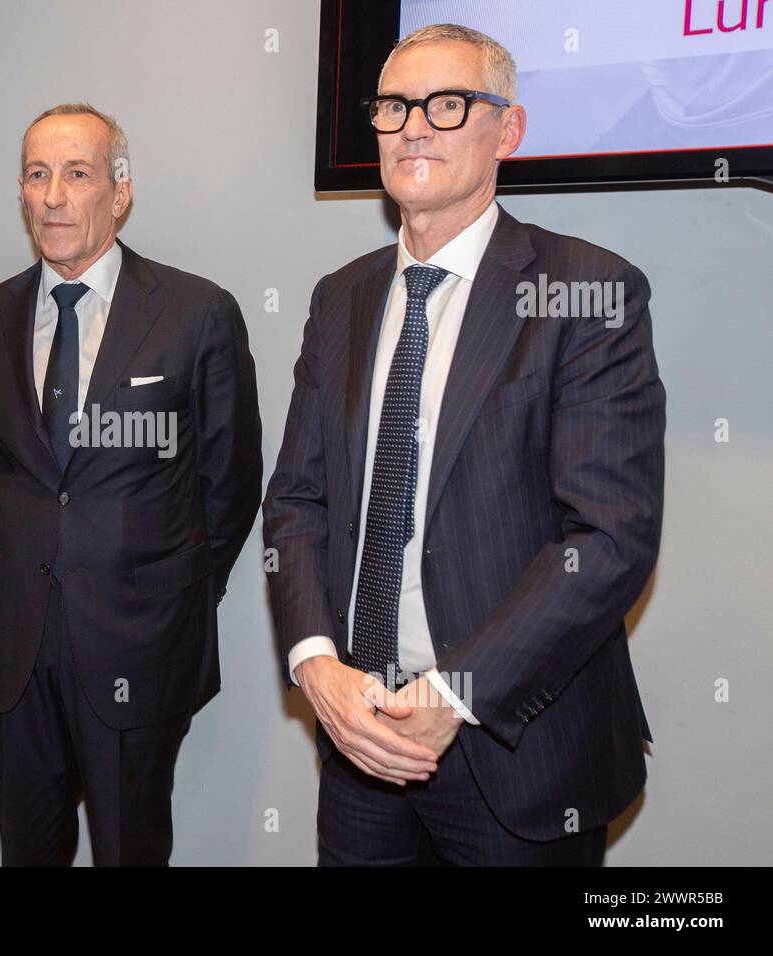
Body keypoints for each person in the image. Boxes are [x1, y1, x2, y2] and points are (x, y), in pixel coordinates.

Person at [263, 24, 665, 865]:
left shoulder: (585, 290)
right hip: (360, 747)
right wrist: (313, 662)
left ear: (507, 131)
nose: (413, 126)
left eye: (446, 105)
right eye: (393, 106)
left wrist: (456, 692)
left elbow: (608, 536)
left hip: (518, 754)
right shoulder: (340, 299)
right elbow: (298, 499)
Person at [0, 103, 261, 865]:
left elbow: (231, 480)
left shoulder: (197, 313)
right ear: (21, 192)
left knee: (130, 848)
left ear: (119, 193)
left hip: (140, 641)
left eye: (78, 174)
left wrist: (175, 591)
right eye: (37, 175)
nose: (54, 195)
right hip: (20, 643)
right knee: (30, 850)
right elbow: (0, 465)